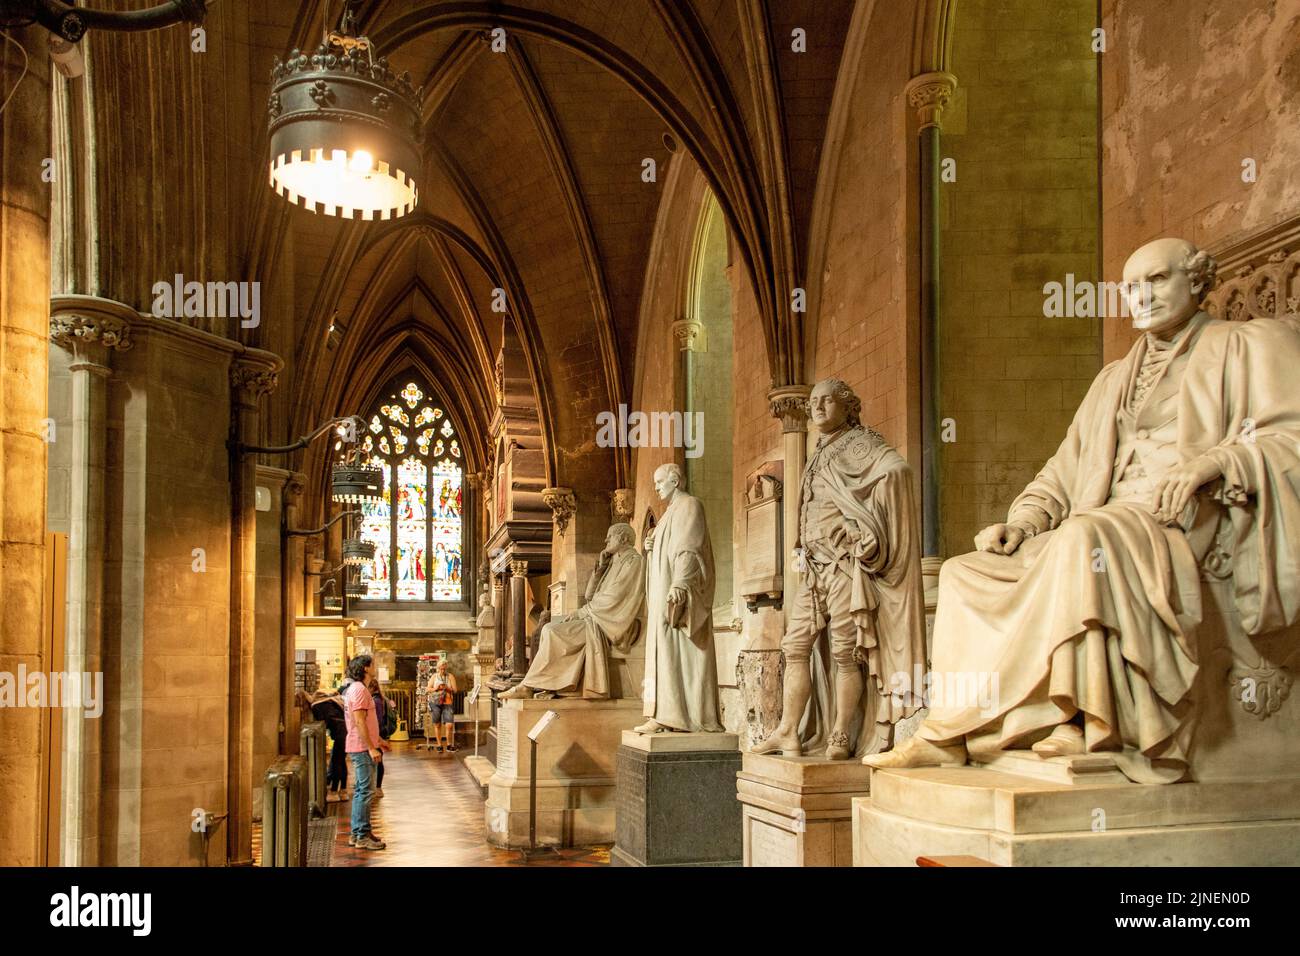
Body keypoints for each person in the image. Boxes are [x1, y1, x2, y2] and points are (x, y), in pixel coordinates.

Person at [866, 238, 1300, 784]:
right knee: (965, 572)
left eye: (1157, 281)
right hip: (1105, 526)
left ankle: (1079, 716)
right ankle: (949, 734)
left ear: (1196, 281)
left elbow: (1291, 440)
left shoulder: (1250, 345)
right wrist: (1022, 521)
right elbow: (1064, 470)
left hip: (1190, 524)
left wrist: (1215, 462)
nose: (1141, 297)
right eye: (1130, 288)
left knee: (1083, 539)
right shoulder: (1113, 379)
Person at [752, 379, 927, 759]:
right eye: (813, 401)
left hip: (845, 567)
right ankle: (787, 730)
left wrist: (864, 526)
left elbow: (898, 472)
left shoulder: (860, 444)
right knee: (795, 647)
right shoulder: (818, 450)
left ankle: (840, 735)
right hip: (813, 570)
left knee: (846, 654)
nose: (816, 407)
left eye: (826, 400)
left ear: (847, 406)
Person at [500, 523, 645, 700]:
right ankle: (541, 685)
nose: (606, 540)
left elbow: (615, 598)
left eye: (611, 536)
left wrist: (580, 613)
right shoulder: (614, 562)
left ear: (623, 538)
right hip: (599, 618)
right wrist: (600, 570)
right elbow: (590, 596)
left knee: (552, 631)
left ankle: (531, 686)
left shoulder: (633, 561)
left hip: (613, 625)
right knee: (548, 628)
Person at [635, 462, 724, 735]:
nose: (657, 487)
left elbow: (690, 547)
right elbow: (670, 548)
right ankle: (664, 714)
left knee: (679, 652)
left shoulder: (690, 505)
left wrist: (681, 582)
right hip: (665, 592)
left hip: (678, 595)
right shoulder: (668, 514)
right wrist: (651, 546)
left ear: (675, 481)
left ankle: (682, 716)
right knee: (664, 651)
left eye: (660, 481)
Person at [343, 654, 389, 849]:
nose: (375, 667)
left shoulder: (356, 689)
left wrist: (378, 740)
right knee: (365, 791)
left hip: (362, 745)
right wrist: (371, 747)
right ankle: (361, 835)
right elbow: (359, 721)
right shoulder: (360, 690)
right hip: (362, 748)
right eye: (372, 664)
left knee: (363, 790)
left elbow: (362, 722)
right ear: (365, 668)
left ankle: (359, 832)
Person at [309, 689, 348, 801]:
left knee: (336, 762)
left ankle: (334, 792)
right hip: (346, 733)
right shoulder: (333, 703)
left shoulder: (318, 706)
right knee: (341, 761)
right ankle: (343, 791)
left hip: (340, 735)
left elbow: (322, 724)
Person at [368, 676, 396, 797]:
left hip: (378, 733)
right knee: (378, 759)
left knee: (378, 759)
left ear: (371, 688)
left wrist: (377, 737)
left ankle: (378, 787)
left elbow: (377, 720)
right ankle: (376, 786)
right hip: (378, 734)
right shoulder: (380, 698)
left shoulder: (376, 701)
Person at [425, 659, 458, 753]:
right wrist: (436, 688)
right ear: (438, 668)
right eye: (441, 669)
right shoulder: (434, 676)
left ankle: (448, 744)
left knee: (449, 725)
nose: (442, 670)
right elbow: (427, 689)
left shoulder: (450, 676)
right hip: (435, 702)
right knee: (437, 724)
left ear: (446, 667)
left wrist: (447, 688)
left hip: (448, 702)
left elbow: (455, 690)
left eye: (444, 668)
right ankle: (439, 745)